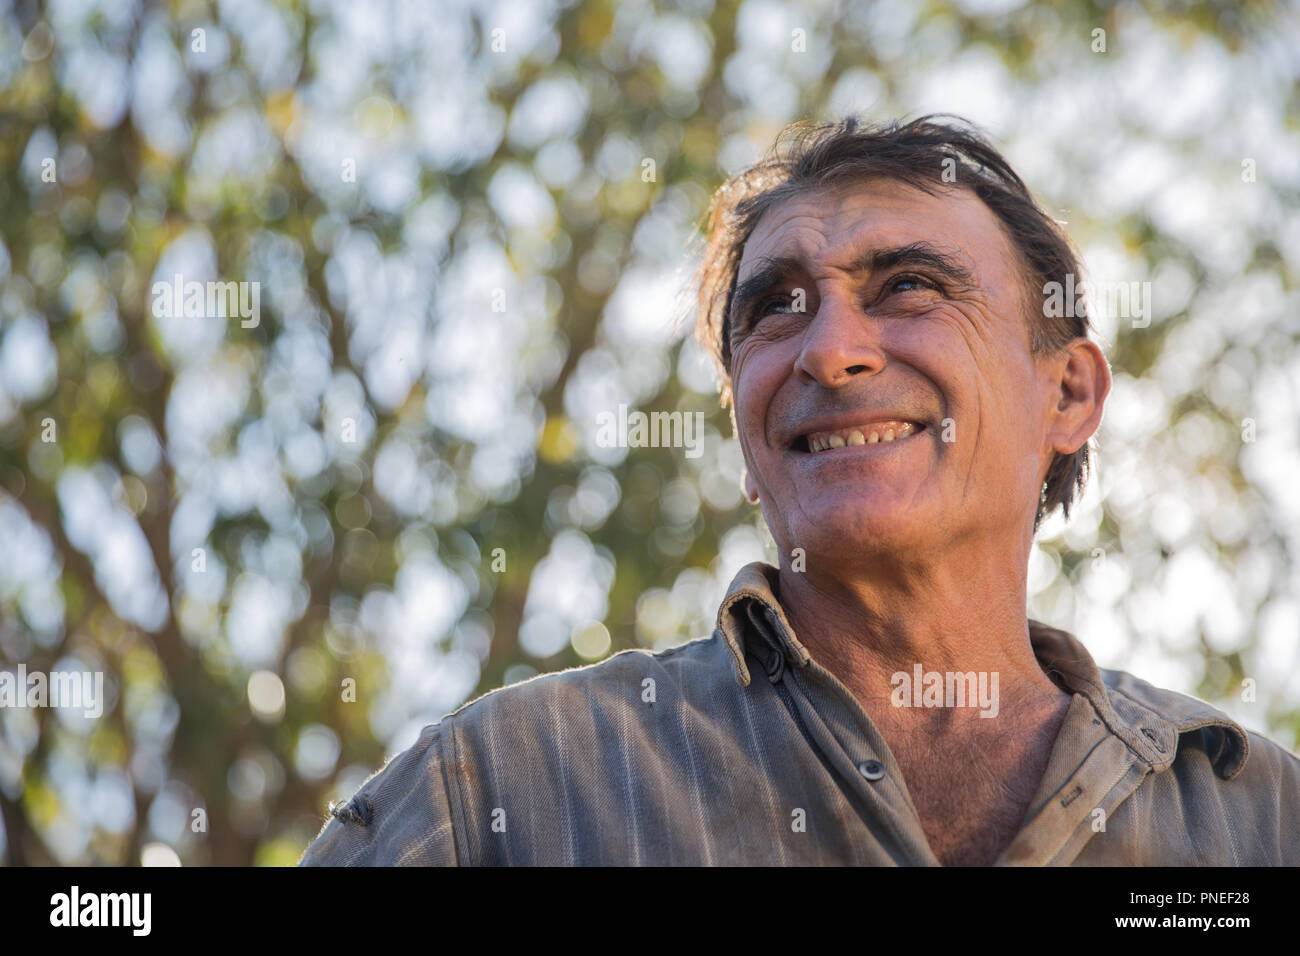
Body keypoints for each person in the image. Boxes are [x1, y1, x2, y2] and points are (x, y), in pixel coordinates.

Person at [300, 116, 1300, 866]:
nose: (827, 350)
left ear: (1068, 392)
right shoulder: (502, 788)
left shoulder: (1258, 817)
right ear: (748, 431)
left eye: (908, 284)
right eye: (774, 308)